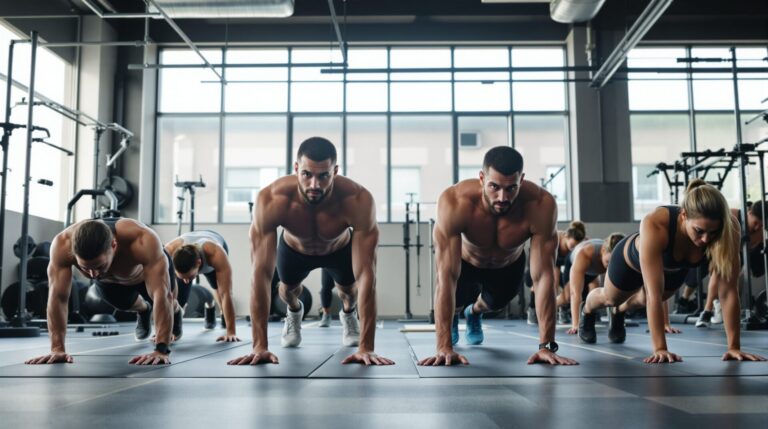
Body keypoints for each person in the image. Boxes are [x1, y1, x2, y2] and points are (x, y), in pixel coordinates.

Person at [228, 137, 393, 366]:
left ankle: (348, 314)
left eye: (323, 176)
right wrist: (260, 346)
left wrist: (367, 347)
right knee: (287, 291)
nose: (314, 184)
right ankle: (294, 311)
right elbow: (261, 275)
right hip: (294, 250)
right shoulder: (272, 199)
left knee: (350, 292)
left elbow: (367, 277)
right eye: (307, 174)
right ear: (296, 168)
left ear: (335, 171)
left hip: (338, 249)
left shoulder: (357, 199)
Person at [417, 146, 577, 366]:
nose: (503, 197)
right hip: (465, 263)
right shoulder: (455, 202)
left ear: (521, 180)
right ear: (482, 178)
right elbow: (445, 278)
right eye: (494, 187)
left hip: (507, 266)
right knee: (455, 299)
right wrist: (444, 347)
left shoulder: (540, 205)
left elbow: (543, 278)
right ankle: (455, 315)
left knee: (495, 304)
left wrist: (547, 346)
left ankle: (473, 313)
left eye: (511, 188)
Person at [579, 180, 766, 364]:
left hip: (674, 267)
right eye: (699, 231)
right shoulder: (656, 223)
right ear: (684, 215)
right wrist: (660, 348)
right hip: (630, 261)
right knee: (610, 298)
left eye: (712, 233)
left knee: (644, 300)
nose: (705, 239)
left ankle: (619, 311)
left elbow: (728, 292)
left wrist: (734, 347)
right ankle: (586, 310)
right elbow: (653, 294)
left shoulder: (729, 229)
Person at [26, 218, 175, 365]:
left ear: (114, 245)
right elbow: (58, 298)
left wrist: (161, 350)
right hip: (109, 281)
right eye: (85, 268)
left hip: (144, 275)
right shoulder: (62, 245)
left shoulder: (141, 239)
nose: (93, 275)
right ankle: (144, 310)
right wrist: (57, 349)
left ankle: (177, 311)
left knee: (169, 301)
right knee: (123, 305)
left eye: (99, 266)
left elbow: (162, 295)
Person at [696, 200, 767, 327]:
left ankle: (723, 307)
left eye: (761, 225)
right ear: (749, 213)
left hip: (736, 253)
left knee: (734, 276)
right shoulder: (731, 216)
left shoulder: (759, 232)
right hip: (715, 247)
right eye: (756, 223)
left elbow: (745, 248)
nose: (757, 227)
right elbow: (716, 238)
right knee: (719, 270)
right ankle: (707, 311)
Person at [165, 230, 240, 342]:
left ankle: (220, 312)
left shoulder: (216, 254)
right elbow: (164, 294)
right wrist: (163, 333)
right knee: (179, 299)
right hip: (191, 250)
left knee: (218, 288)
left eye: (189, 277)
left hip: (213, 244)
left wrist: (231, 332)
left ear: (199, 263)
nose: (186, 281)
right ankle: (175, 329)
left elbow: (226, 294)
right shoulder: (168, 252)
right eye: (182, 277)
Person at [556, 233, 625, 335]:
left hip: (593, 269)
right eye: (608, 262)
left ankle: (596, 316)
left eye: (613, 263)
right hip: (577, 263)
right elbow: (575, 293)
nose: (610, 267)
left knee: (596, 291)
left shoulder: (614, 256)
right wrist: (576, 324)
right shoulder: (585, 254)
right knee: (566, 298)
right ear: (603, 251)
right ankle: (545, 308)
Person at [528, 221, 587, 325]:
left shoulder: (579, 245)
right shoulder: (552, 240)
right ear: (566, 237)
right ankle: (533, 309)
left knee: (571, 285)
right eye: (572, 245)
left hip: (560, 267)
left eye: (576, 246)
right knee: (548, 283)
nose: (573, 248)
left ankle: (563, 310)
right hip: (541, 265)